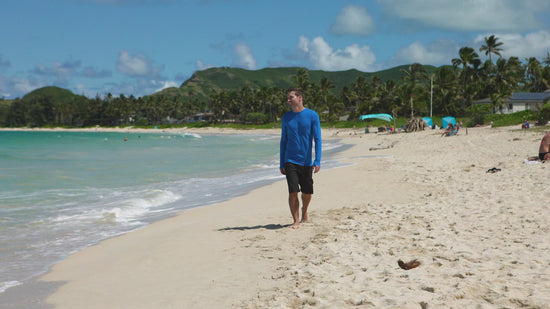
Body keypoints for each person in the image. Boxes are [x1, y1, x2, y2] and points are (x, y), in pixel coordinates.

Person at [280, 87, 322, 229]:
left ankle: (304, 211)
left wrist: (317, 161)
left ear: (300, 98)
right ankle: (296, 220)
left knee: (307, 192)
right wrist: (282, 162)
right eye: (288, 97)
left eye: (291, 97)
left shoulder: (312, 116)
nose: (288, 100)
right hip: (290, 160)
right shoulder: (286, 117)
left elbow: (318, 139)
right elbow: (283, 141)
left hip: (306, 161)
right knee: (293, 191)